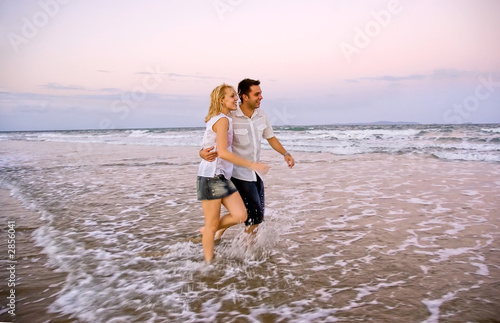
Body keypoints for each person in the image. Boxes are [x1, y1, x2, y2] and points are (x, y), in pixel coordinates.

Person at [200, 78, 295, 236]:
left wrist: (285, 154)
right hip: (238, 174)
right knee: (253, 217)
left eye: (261, 94)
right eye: (257, 94)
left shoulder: (261, 115)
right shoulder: (230, 116)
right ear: (245, 96)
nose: (261, 97)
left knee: (257, 216)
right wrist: (202, 152)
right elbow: (211, 138)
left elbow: (270, 137)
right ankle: (243, 248)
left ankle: (216, 232)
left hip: (255, 174)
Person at [197, 83, 269, 262]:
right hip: (211, 176)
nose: (236, 99)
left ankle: (209, 231)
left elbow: (207, 147)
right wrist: (250, 164)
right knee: (213, 224)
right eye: (231, 97)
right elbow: (222, 152)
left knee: (241, 215)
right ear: (221, 100)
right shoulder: (221, 120)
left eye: (236, 96)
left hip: (221, 176)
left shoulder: (221, 119)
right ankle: (208, 263)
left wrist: (202, 152)